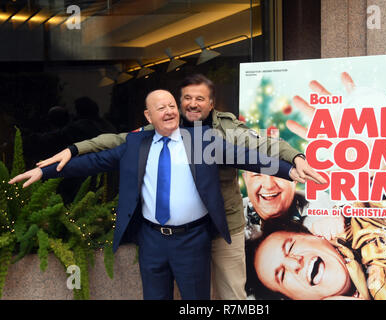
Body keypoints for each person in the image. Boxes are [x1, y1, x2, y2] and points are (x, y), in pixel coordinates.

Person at [34, 74, 327, 300]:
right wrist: (71, 151)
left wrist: (294, 162)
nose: (192, 104)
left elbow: (258, 151)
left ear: (211, 103)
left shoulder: (219, 133)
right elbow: (113, 144)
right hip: (184, 234)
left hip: (226, 225)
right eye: (186, 98)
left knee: (231, 295)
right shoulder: (160, 130)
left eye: (200, 98)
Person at [247, 216, 386, 300]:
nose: (294, 263)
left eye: (291, 246)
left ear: (316, 236)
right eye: (281, 276)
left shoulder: (367, 222)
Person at [242, 172, 344, 241]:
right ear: (246, 180)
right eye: (257, 174)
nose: (269, 185)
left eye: (279, 172)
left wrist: (339, 220)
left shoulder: (321, 202)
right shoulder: (230, 219)